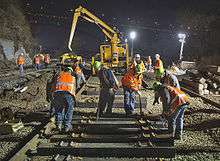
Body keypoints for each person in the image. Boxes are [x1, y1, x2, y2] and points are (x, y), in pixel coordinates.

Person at [51, 66, 76, 132]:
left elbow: (53, 87)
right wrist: (74, 99)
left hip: (57, 93)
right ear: (70, 71)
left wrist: (53, 96)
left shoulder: (58, 76)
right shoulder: (72, 78)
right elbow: (73, 90)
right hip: (68, 94)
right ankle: (67, 126)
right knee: (69, 110)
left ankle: (58, 125)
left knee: (58, 109)